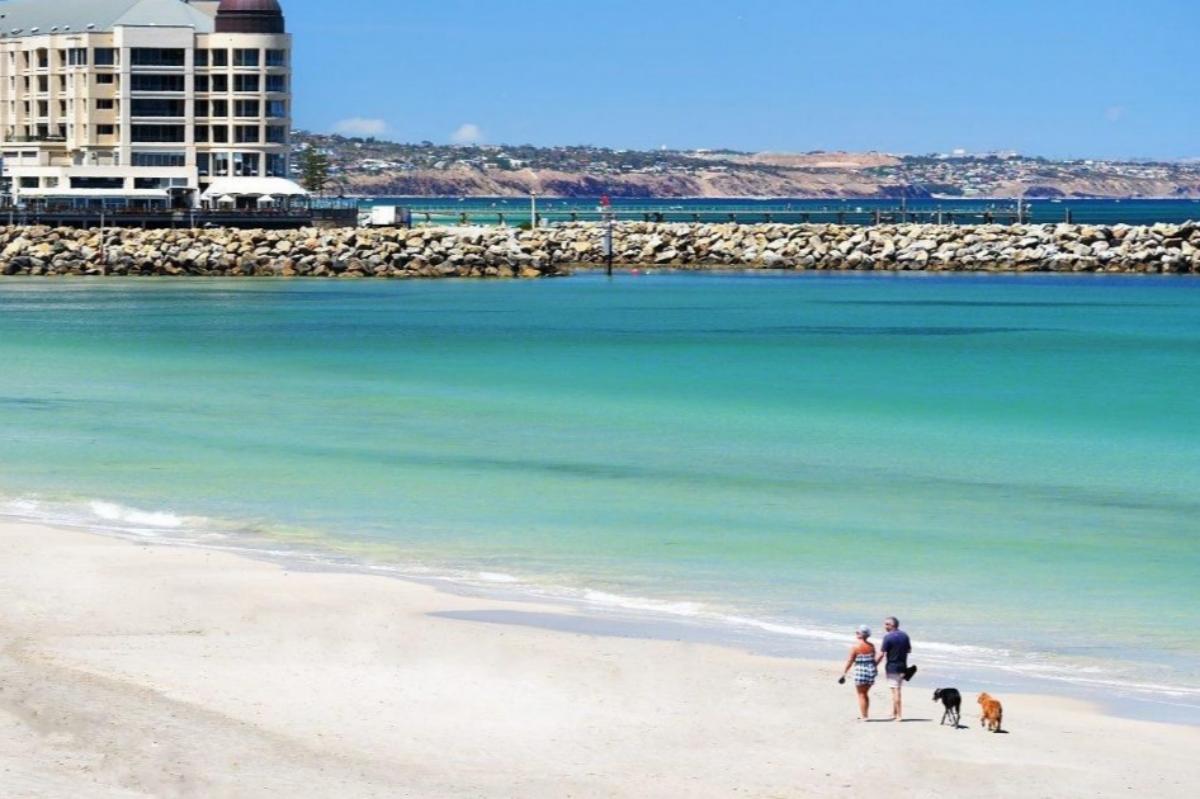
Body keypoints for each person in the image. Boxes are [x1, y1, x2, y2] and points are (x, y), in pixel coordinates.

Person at [876, 616, 912, 721]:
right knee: (896, 689)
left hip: (892, 667)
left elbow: (881, 654)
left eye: (886, 624)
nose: (884, 626)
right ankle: (894, 713)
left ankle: (899, 715)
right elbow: (909, 650)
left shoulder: (888, 637)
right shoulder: (905, 635)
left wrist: (874, 665)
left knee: (896, 691)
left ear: (892, 625)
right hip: (903, 666)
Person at [839, 625, 877, 720]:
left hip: (860, 670)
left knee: (861, 694)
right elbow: (873, 659)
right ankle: (865, 714)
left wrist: (844, 673)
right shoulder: (871, 646)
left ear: (861, 634)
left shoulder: (855, 646)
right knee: (865, 693)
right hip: (870, 670)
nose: (856, 633)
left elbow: (850, 661)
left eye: (858, 632)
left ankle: (864, 716)